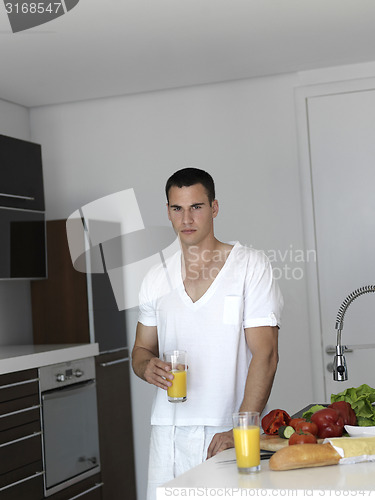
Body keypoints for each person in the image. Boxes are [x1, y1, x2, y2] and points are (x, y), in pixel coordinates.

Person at [131, 167, 283, 500]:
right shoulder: (156, 278)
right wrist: (146, 367)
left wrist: (241, 431)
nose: (187, 218)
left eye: (196, 207)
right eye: (177, 208)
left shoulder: (250, 267)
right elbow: (141, 349)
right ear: (168, 213)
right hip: (167, 434)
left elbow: (266, 354)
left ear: (214, 208)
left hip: (224, 430)